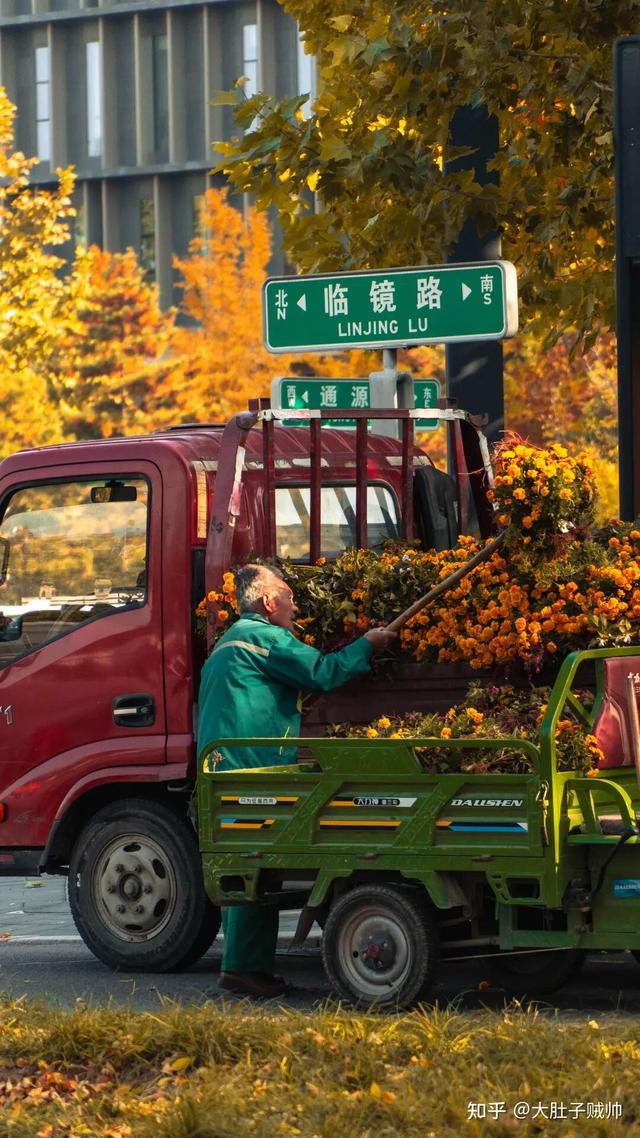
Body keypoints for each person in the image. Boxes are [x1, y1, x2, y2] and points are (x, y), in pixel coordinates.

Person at [197, 563, 397, 998]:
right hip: (249, 770)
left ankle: (243, 965)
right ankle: (244, 969)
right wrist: (368, 643)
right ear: (269, 602)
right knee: (256, 861)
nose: (295, 606)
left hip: (224, 770)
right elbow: (325, 671)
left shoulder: (231, 641)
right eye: (288, 597)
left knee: (240, 865)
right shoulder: (265, 638)